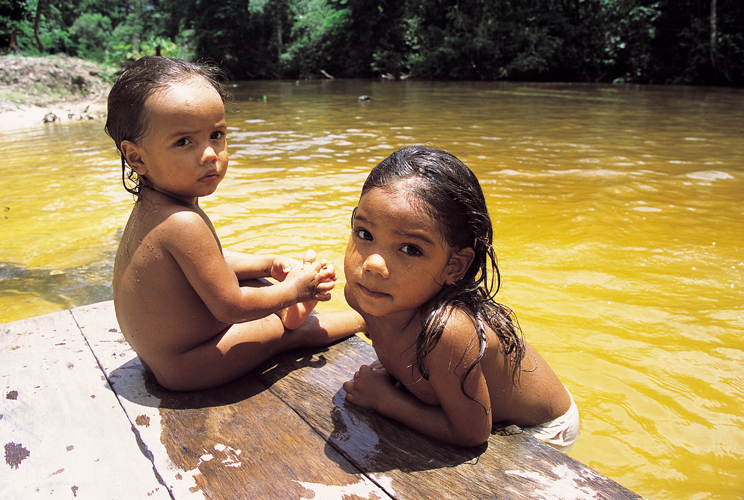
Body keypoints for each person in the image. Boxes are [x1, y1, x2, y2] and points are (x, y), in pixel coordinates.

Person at [105, 56, 364, 391]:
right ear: (137, 157)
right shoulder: (183, 221)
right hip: (189, 366)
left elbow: (209, 263)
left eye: (216, 134)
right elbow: (231, 307)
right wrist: (293, 290)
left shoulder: (154, 207)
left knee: (254, 281)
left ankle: (292, 312)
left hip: (166, 357)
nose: (211, 153)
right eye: (184, 141)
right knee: (275, 326)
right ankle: (363, 320)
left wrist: (268, 264)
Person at [342, 146, 580, 451]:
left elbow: (471, 433)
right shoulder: (363, 294)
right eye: (364, 234)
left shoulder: (447, 333)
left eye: (410, 249)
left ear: (454, 266)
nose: (373, 263)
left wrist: (385, 399)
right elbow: (359, 323)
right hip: (472, 404)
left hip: (541, 429)